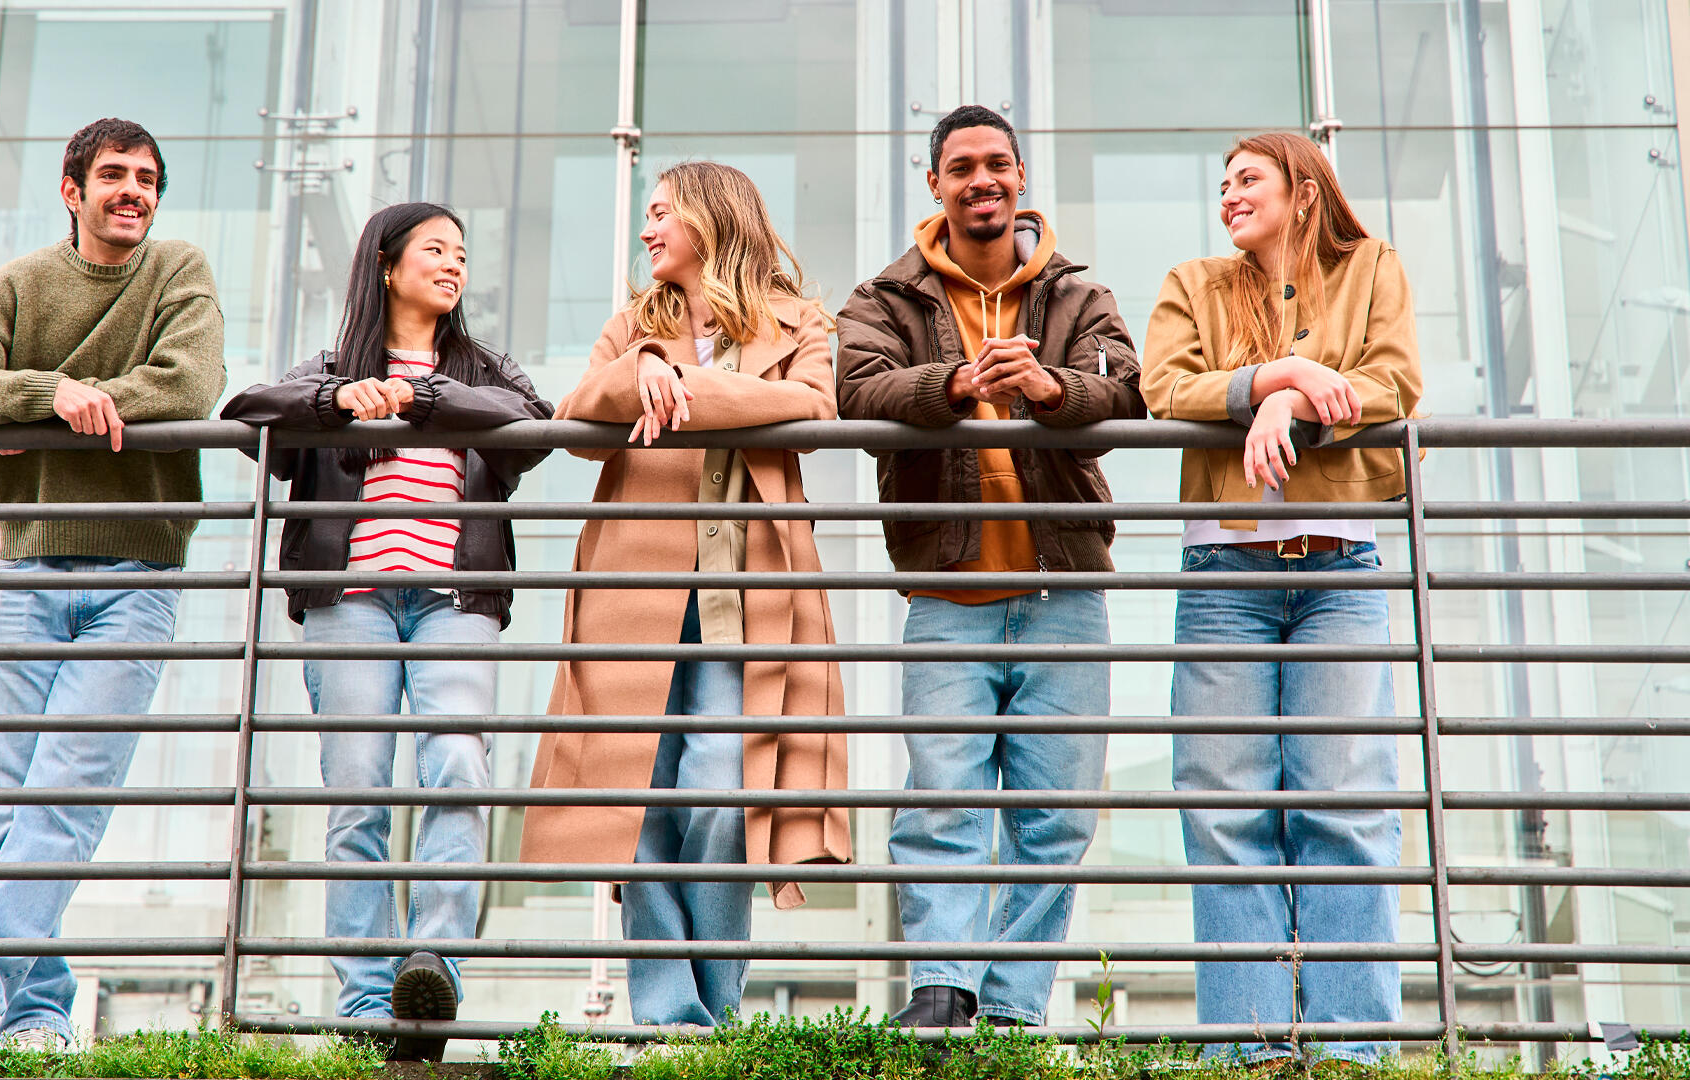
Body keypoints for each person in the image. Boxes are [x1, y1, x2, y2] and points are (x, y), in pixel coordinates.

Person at [0, 118, 226, 1051]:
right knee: (10, 802)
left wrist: (48, 400)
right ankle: (40, 1016)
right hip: (30, 564)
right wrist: (47, 396)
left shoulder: (179, 272)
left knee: (66, 791)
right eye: (114, 175)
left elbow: (188, 384)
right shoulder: (22, 283)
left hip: (138, 568)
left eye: (148, 178)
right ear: (70, 189)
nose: (134, 191)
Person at [519, 161, 850, 1029]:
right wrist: (644, 369)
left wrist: (687, 387)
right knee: (635, 802)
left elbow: (811, 409)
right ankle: (672, 1016)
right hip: (633, 592)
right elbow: (579, 424)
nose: (645, 229)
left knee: (718, 789)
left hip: (754, 595)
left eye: (660, 212)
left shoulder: (799, 321)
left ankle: (717, 1002)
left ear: (710, 218)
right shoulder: (633, 328)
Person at [835, 104, 1145, 1030]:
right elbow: (854, 390)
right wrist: (955, 383)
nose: (983, 180)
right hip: (948, 594)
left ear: (1021, 179)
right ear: (934, 184)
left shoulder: (1077, 295)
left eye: (998, 165)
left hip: (1065, 596)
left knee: (1056, 820)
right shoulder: (883, 299)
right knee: (943, 805)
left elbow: (1129, 386)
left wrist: (1052, 390)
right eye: (962, 166)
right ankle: (942, 989)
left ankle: (1009, 1008)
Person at [220, 203, 550, 1061]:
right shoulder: (331, 365)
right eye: (436, 250)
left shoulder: (482, 370)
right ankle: (370, 1001)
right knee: (358, 791)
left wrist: (427, 395)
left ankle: (431, 968)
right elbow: (247, 410)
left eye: (463, 254)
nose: (454, 265)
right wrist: (336, 401)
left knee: (457, 766)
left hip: (452, 600)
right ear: (386, 263)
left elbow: (533, 424)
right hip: (352, 600)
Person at [1141, 131, 1424, 1069]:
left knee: (1343, 801)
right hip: (1226, 575)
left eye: (1248, 178)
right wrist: (1278, 375)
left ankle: (1351, 1051)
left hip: (1340, 567)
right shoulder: (1194, 284)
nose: (1227, 195)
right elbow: (1162, 387)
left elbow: (1394, 383)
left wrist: (1290, 406)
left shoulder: (1372, 266)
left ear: (1305, 190)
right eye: (1220, 183)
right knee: (1224, 808)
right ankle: (1252, 1050)